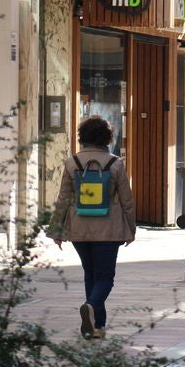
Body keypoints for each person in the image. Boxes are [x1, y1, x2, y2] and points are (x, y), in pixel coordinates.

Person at [47, 115, 137, 340]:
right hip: (108, 229)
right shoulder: (115, 163)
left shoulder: (72, 163)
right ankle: (91, 307)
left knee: (91, 275)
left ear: (83, 136)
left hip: (79, 227)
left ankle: (96, 326)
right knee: (105, 277)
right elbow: (127, 200)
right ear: (107, 138)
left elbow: (63, 199)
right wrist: (131, 228)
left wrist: (56, 230)